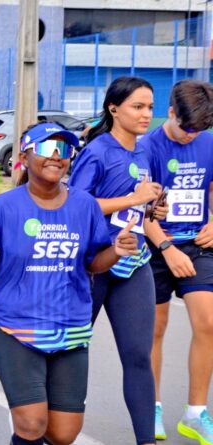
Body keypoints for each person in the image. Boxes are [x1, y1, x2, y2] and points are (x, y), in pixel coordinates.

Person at [0, 122, 139, 445]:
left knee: (63, 434)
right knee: (31, 423)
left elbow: (93, 263)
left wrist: (117, 251)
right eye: (45, 148)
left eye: (63, 149)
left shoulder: (85, 205)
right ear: (24, 155)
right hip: (16, 326)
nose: (55, 156)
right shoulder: (3, 207)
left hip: (71, 325)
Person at [68, 76, 166, 445]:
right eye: (137, 107)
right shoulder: (97, 151)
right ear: (114, 108)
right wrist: (131, 199)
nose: (145, 115)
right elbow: (77, 205)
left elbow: (140, 202)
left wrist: (154, 207)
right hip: (93, 266)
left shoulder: (144, 152)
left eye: (149, 107)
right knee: (72, 349)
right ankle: (56, 429)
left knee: (139, 356)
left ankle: (146, 441)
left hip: (134, 263)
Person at [142, 80, 213, 443]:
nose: (191, 136)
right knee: (155, 328)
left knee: (209, 321)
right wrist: (167, 248)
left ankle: (195, 413)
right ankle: (151, 407)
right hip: (155, 248)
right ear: (170, 112)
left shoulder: (208, 141)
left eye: (199, 130)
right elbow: (138, 210)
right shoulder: (146, 147)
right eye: (186, 128)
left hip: (198, 245)